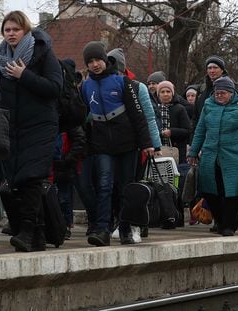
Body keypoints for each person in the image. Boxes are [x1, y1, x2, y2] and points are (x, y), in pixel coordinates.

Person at [0, 11, 63, 252]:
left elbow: (54, 88)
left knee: (32, 177)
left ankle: (28, 230)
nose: (11, 34)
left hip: (40, 125)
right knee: (16, 179)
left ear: (26, 31)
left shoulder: (42, 52)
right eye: (7, 30)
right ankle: (38, 236)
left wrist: (24, 75)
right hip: (12, 126)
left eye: (15, 29)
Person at [80, 41, 153, 246]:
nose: (95, 64)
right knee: (104, 186)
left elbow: (138, 115)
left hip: (127, 143)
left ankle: (126, 229)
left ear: (105, 60)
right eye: (90, 61)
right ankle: (102, 229)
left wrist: (146, 143)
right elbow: (82, 116)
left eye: (98, 60)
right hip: (101, 143)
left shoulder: (123, 83)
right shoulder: (86, 87)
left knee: (125, 187)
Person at [187, 76, 238, 236]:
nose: (219, 95)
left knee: (231, 192)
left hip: (234, 156)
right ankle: (220, 221)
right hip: (210, 155)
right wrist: (193, 151)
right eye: (217, 93)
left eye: (223, 93)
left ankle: (229, 225)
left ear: (231, 93)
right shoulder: (208, 105)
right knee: (210, 190)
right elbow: (200, 130)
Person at [190, 55, 228, 143]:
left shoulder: (230, 89)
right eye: (209, 68)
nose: (212, 71)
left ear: (222, 70)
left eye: (215, 67)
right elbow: (195, 117)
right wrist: (192, 141)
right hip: (202, 137)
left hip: (222, 138)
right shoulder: (202, 89)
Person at [156, 80, 190, 164]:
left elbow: (188, 130)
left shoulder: (180, 108)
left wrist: (172, 131)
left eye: (168, 91)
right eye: (162, 92)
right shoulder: (154, 109)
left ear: (173, 93)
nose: (165, 94)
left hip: (177, 149)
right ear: (158, 94)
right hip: (158, 149)